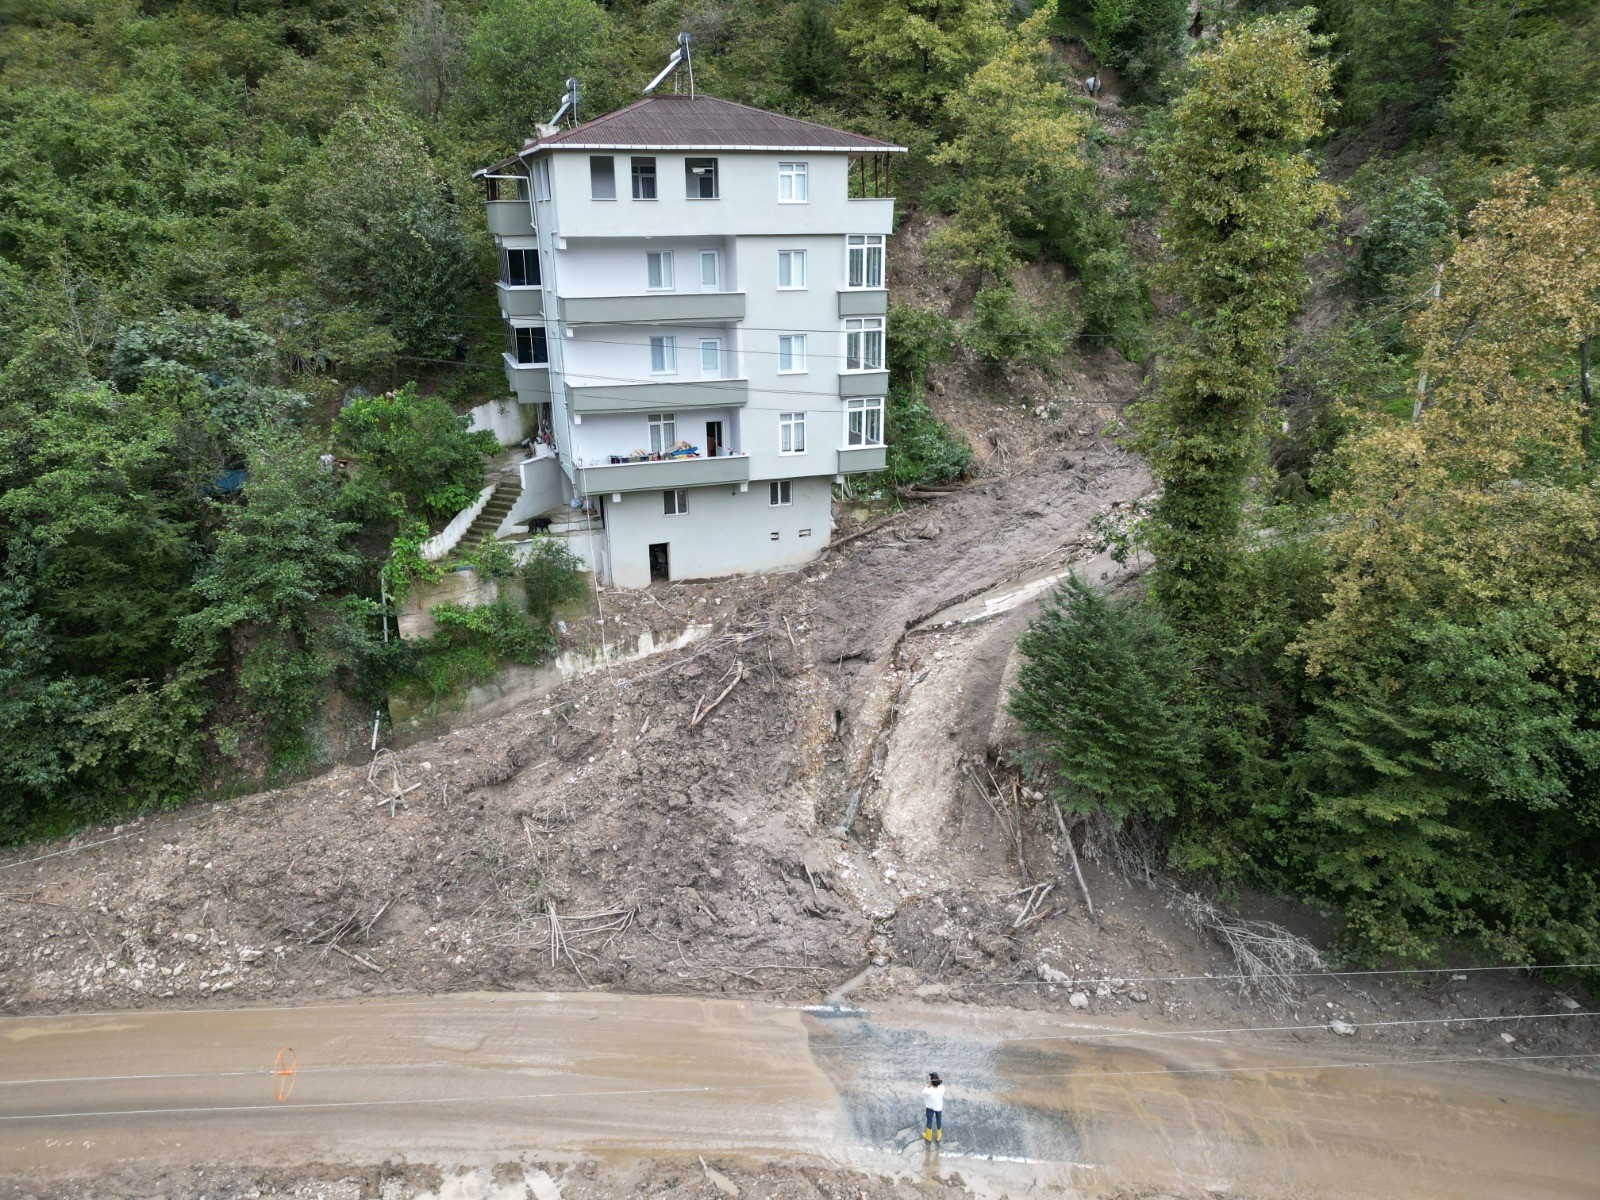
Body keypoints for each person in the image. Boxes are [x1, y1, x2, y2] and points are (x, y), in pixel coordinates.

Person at [921, 1072, 945, 1143]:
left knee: (929, 1121)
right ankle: (938, 1136)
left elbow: (923, 1093)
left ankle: (928, 1137)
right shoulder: (942, 1088)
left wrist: (928, 1085)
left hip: (930, 1108)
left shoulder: (928, 1091)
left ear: (931, 1082)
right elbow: (941, 1084)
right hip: (939, 1108)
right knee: (938, 1120)